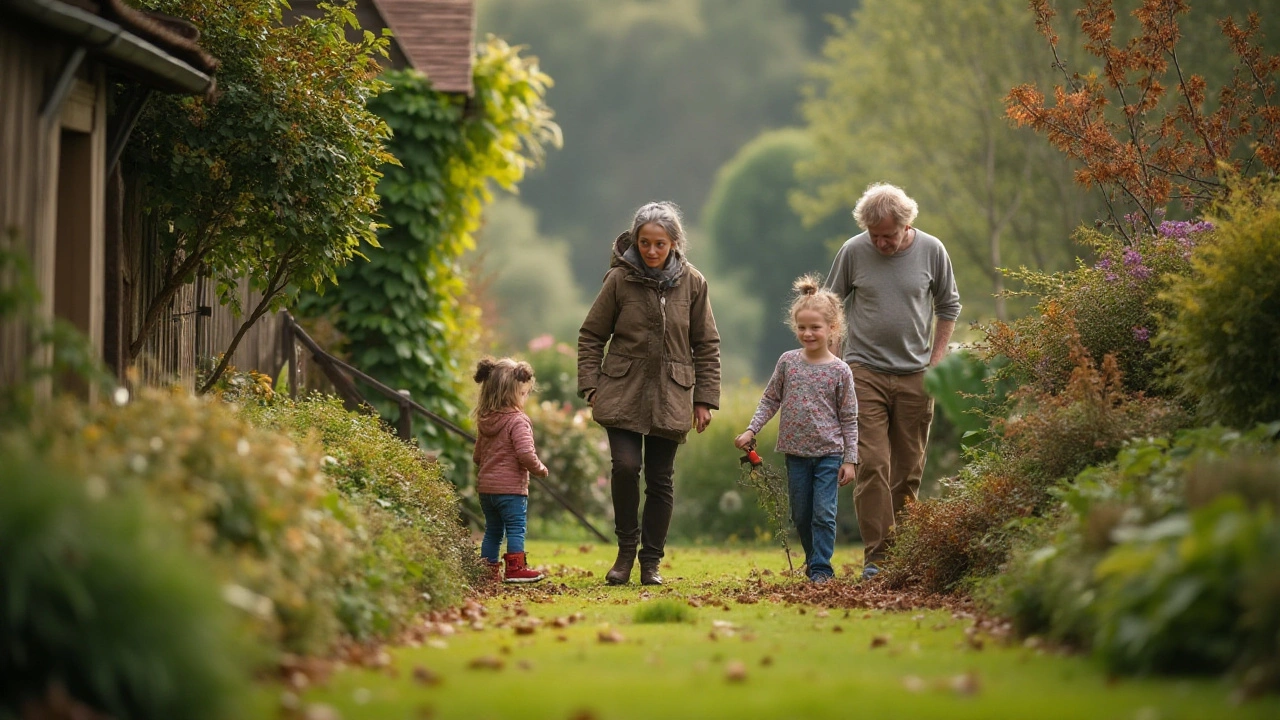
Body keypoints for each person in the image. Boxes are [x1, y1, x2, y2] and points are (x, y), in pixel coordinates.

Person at [578, 201, 721, 586]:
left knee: (661, 479)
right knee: (625, 468)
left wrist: (704, 399)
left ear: (674, 243)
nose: (652, 251)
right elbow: (591, 335)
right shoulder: (618, 281)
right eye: (645, 243)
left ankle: (651, 562)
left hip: (673, 394)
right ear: (635, 242)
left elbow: (706, 344)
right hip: (621, 390)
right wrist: (590, 384)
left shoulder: (694, 283)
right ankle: (625, 553)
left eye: (660, 243)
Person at [825, 182, 961, 580]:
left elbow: (949, 305)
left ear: (906, 225)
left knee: (907, 471)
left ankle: (905, 555)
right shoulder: (853, 251)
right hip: (862, 372)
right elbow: (831, 305)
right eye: (874, 235)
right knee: (872, 465)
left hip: (917, 375)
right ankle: (878, 559)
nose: (880, 242)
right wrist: (832, 364)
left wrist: (935, 363)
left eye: (888, 235)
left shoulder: (932, 251)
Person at [734, 276, 859, 584]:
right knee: (802, 514)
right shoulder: (788, 362)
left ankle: (820, 569)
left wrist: (850, 458)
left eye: (815, 327)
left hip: (830, 454)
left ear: (832, 329)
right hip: (796, 454)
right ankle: (813, 560)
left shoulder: (840, 371)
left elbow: (849, 417)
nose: (808, 333)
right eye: (802, 327)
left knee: (823, 513)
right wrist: (752, 429)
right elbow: (770, 400)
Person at [472, 356, 550, 583]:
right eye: (524, 393)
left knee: (493, 531)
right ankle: (515, 569)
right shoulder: (518, 421)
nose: (525, 397)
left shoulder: (484, 420)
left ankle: (487, 572)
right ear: (512, 393)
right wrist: (539, 469)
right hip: (511, 490)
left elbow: (477, 457)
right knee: (516, 528)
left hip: (486, 490)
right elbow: (525, 453)